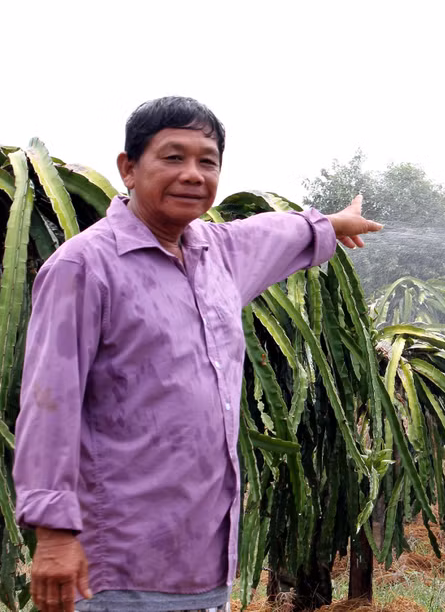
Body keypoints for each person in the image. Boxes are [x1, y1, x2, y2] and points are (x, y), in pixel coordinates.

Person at [12, 96, 382, 612]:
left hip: (206, 560)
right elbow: (49, 401)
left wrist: (332, 224)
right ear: (129, 168)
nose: (192, 174)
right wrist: (53, 533)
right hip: (116, 568)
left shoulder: (218, 254)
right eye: (172, 157)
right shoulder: (83, 268)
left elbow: (274, 231)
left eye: (207, 162)